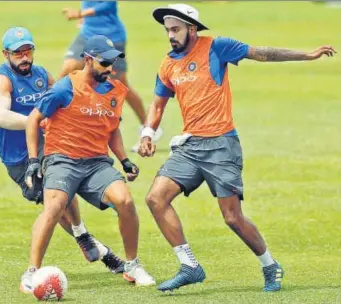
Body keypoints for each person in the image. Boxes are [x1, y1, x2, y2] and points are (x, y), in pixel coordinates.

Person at [138, 3, 337, 292]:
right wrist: (147, 133)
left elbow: (262, 53)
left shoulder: (217, 47)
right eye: (168, 30)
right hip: (190, 146)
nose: (170, 35)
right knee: (156, 198)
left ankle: (270, 265)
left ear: (192, 29)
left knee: (232, 217)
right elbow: (158, 104)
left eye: (176, 29)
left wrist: (306, 54)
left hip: (221, 145)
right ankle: (190, 265)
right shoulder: (168, 64)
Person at [0, 27, 126, 294]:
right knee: (55, 205)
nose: (25, 57)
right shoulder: (1, 80)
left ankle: (87, 240)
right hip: (19, 158)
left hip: (50, 148)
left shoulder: (41, 76)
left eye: (28, 51)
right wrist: (37, 123)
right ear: (6, 54)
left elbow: (66, 98)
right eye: (18, 53)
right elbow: (1, 116)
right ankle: (88, 239)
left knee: (60, 192)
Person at [24, 35, 156, 289]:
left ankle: (132, 266)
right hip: (62, 159)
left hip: (96, 163)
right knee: (54, 206)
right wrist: (33, 160)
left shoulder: (116, 92)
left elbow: (112, 130)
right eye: (104, 63)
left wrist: (125, 160)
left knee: (125, 201)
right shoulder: (65, 87)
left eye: (113, 63)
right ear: (87, 60)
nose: (110, 69)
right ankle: (31, 272)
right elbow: (34, 119)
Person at [60, 1, 163, 151]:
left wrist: (80, 14)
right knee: (68, 67)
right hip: (87, 34)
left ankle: (148, 127)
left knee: (119, 84)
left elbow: (108, 5)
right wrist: (84, 19)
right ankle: (52, 120)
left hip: (112, 37)